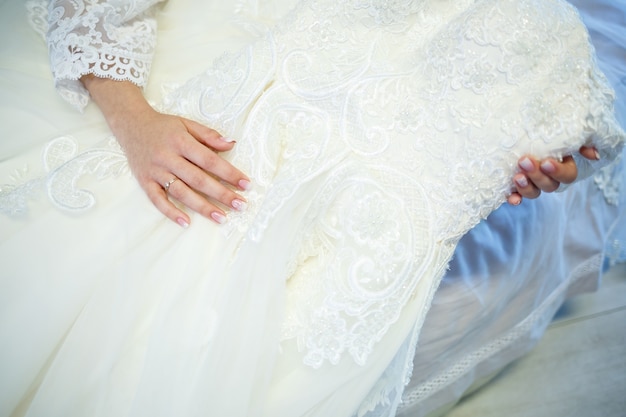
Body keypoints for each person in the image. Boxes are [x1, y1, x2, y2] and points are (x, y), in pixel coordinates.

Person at [0, 0, 623, 416]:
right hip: (227, 40)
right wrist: (134, 120)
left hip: (404, 76)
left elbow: (570, 122)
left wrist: (551, 154)